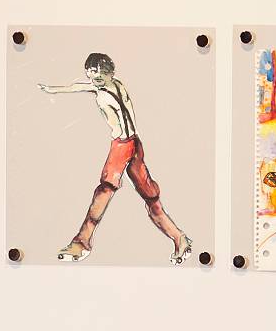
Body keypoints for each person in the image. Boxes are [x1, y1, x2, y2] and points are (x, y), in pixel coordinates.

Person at [39, 53, 193, 265]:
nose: (96, 77)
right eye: (92, 73)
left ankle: (82, 242)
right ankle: (179, 237)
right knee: (146, 194)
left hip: (126, 145)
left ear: (111, 72)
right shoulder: (102, 86)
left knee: (109, 190)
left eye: (101, 72)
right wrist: (53, 89)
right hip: (131, 144)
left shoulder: (114, 86)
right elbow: (78, 87)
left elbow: (85, 86)